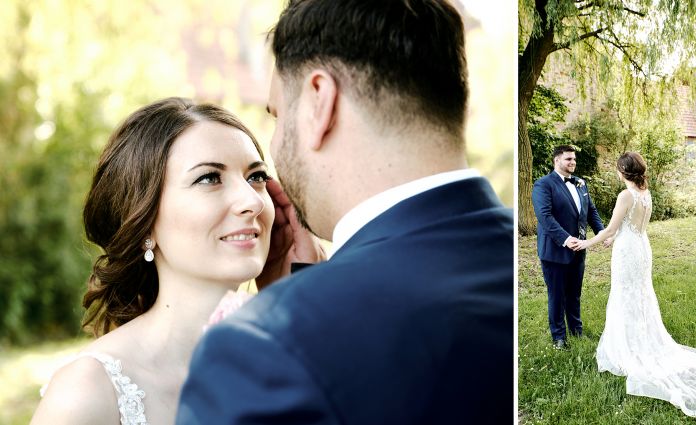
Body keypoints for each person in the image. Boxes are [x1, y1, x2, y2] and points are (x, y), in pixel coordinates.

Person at [176, 1, 515, 424]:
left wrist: (300, 305)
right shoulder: (513, 260)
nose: (276, 142)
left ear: (319, 100)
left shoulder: (265, 348)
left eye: (278, 116)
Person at [30, 97, 320, 425]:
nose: (251, 200)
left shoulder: (287, 356)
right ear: (143, 221)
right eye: (209, 178)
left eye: (256, 176)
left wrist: (304, 289)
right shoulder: (87, 391)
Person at [573, 152, 696, 417]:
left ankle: (629, 349)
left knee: (625, 295)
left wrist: (586, 243)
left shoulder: (626, 195)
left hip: (628, 252)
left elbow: (610, 229)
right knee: (638, 295)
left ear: (622, 171)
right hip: (641, 247)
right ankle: (638, 340)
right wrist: (611, 239)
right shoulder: (645, 192)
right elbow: (630, 227)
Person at [532, 145, 604, 349]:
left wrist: (601, 232)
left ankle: (576, 330)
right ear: (557, 161)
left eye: (574, 159)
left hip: (579, 248)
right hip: (555, 250)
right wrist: (565, 239)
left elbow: (591, 211)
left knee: (574, 293)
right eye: (568, 159)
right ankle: (559, 337)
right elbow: (544, 216)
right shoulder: (543, 185)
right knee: (557, 295)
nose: (572, 162)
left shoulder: (581, 183)